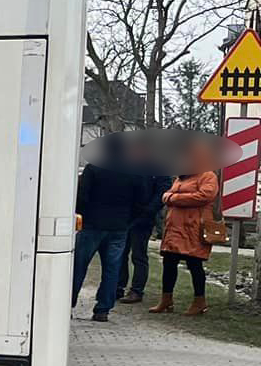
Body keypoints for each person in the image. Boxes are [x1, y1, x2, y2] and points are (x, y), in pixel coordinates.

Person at [73, 138, 147, 322]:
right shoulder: (133, 171)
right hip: (119, 227)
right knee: (112, 269)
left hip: (92, 225)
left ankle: (68, 303)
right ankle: (103, 309)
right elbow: (141, 200)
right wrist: (129, 221)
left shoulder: (94, 168)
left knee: (78, 266)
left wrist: (84, 214)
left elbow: (82, 195)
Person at [150, 140, 221, 316]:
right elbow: (166, 194)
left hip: (194, 229)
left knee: (194, 264)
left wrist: (173, 198)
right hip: (175, 229)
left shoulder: (208, 176)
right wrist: (170, 196)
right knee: (169, 263)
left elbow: (204, 196)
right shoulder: (181, 177)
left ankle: (200, 301)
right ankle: (166, 300)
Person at [118, 141, 170, 304]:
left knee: (138, 255)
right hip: (125, 217)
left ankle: (137, 290)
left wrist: (149, 210)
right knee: (120, 254)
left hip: (144, 219)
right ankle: (118, 287)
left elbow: (162, 191)